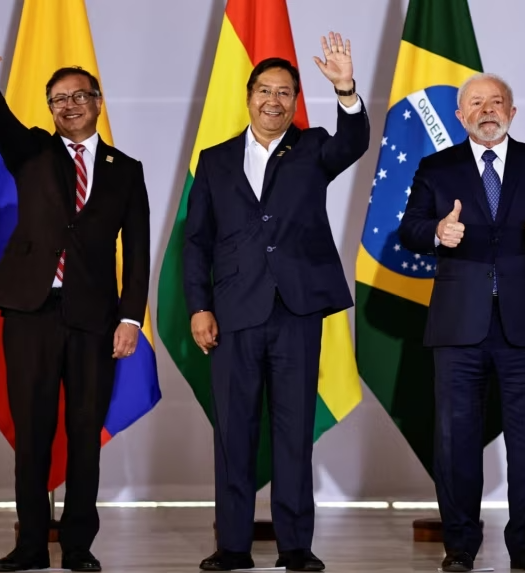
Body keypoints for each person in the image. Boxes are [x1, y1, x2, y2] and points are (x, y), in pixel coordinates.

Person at [182, 33, 368, 572]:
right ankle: (232, 546)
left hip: (296, 310)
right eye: (265, 90)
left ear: (294, 101)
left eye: (285, 93)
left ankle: (295, 546)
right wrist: (199, 306)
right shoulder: (215, 161)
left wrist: (346, 90)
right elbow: (196, 242)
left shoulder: (312, 149)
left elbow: (353, 141)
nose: (274, 101)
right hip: (234, 312)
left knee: (292, 433)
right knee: (233, 433)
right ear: (248, 97)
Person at [0, 39, 150, 573]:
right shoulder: (32, 150)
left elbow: (137, 252)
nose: (69, 105)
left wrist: (129, 318)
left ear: (98, 102)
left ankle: (78, 545)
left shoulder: (127, 168)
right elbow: (0, 123)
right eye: (58, 99)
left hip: (94, 320)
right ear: (49, 109)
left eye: (79, 96)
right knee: (32, 434)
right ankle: (31, 544)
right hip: (30, 313)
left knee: (83, 433)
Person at [398, 73, 525, 573]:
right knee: (456, 440)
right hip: (460, 324)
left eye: (496, 102)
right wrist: (437, 231)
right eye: (475, 103)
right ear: (460, 116)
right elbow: (409, 229)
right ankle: (460, 545)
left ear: (513, 112)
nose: (487, 109)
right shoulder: (436, 168)